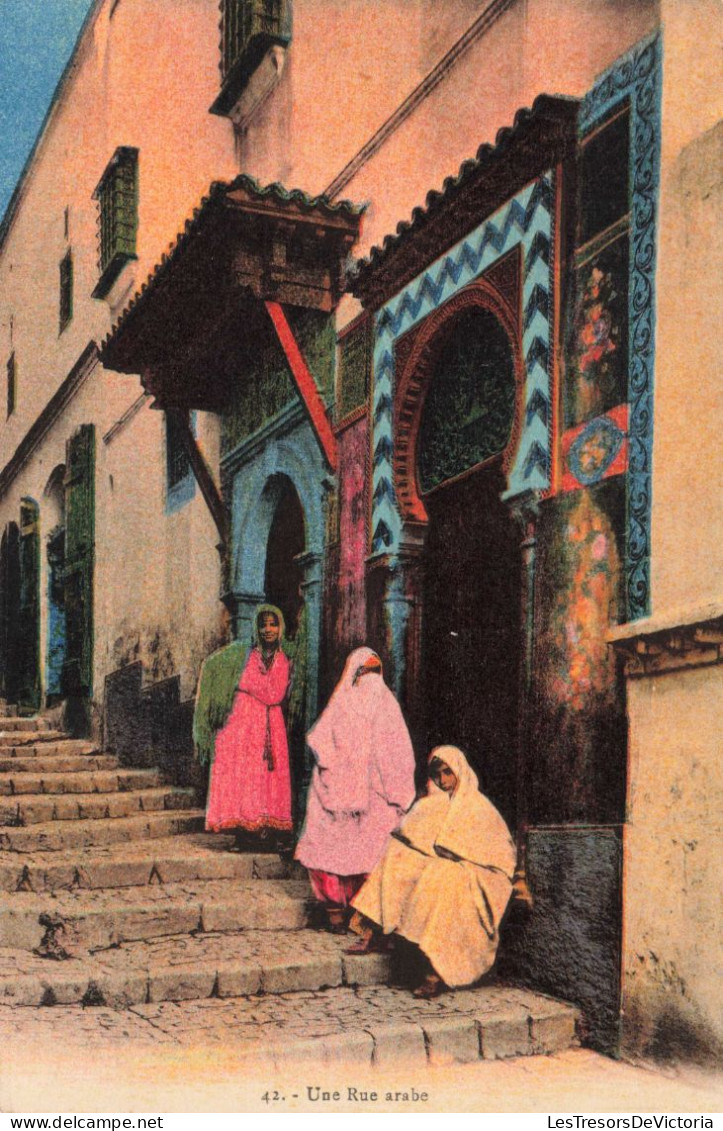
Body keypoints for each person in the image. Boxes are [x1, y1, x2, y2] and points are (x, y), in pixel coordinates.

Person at [349, 745, 516, 998]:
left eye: (448, 773)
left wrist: (458, 856)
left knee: (443, 877)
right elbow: (415, 835)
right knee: (397, 856)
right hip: (442, 862)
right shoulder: (435, 803)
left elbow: (498, 855)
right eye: (438, 774)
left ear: (459, 771)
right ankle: (374, 931)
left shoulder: (478, 805)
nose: (443, 780)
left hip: (478, 874)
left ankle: (434, 972)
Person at [295, 646, 417, 932]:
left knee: (349, 850)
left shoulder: (355, 703)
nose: (371, 679)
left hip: (356, 799)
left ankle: (347, 913)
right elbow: (396, 758)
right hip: (359, 799)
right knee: (357, 851)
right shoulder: (375, 704)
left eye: (375, 673)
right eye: (367, 673)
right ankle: (348, 913)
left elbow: (394, 754)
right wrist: (399, 794)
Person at [196, 604, 293, 846]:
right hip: (242, 728)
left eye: (273, 624)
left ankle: (267, 834)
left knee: (268, 780)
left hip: (270, 729)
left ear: (280, 627)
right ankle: (243, 834)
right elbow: (219, 667)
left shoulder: (282, 659)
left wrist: (246, 684)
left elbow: (274, 693)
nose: (268, 629)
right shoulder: (246, 656)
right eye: (263, 624)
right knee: (244, 778)